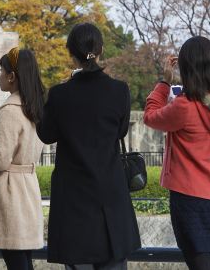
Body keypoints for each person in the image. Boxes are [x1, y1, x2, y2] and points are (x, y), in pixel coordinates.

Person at [37, 23, 140, 270]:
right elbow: (121, 131)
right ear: (101, 50)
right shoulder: (119, 90)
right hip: (110, 198)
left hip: (74, 199)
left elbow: (46, 134)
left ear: (71, 54)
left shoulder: (60, 94)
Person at [144, 36, 210, 270]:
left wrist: (164, 84)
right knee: (207, 258)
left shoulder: (185, 106)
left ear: (186, 67)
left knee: (197, 260)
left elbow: (150, 115)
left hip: (187, 194)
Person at [0, 47, 45, 270]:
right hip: (27, 185)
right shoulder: (35, 107)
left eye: (1, 70)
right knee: (24, 258)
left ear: (12, 76)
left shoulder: (8, 111)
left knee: (15, 261)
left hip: (9, 191)